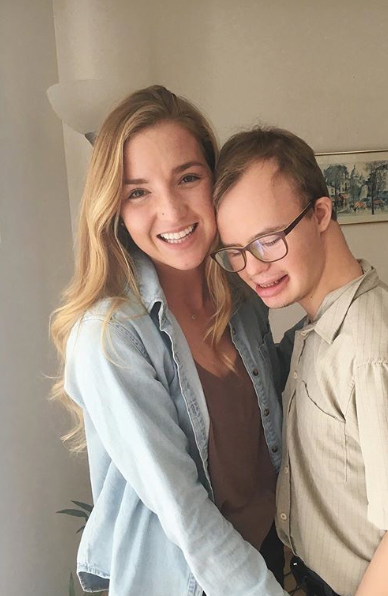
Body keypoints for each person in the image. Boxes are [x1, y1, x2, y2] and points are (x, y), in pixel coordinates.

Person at [211, 127, 388, 596]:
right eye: (236, 252)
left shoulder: (374, 352)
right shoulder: (317, 329)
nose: (253, 267)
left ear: (320, 214)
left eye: (268, 239)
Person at [50, 87, 292, 596]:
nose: (172, 210)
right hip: (184, 579)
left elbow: (271, 409)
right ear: (114, 208)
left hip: (262, 552)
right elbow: (185, 512)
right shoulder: (110, 337)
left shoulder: (241, 300)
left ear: (215, 181)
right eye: (138, 192)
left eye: (187, 178)